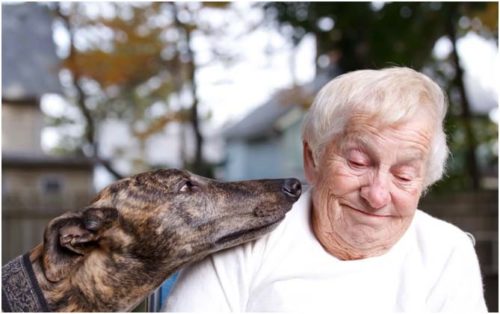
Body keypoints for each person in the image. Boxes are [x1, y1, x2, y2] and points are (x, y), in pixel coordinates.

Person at [163, 67, 487, 312]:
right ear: (312, 158)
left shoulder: (446, 252)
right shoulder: (244, 236)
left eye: (403, 176)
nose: (376, 196)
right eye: (359, 163)